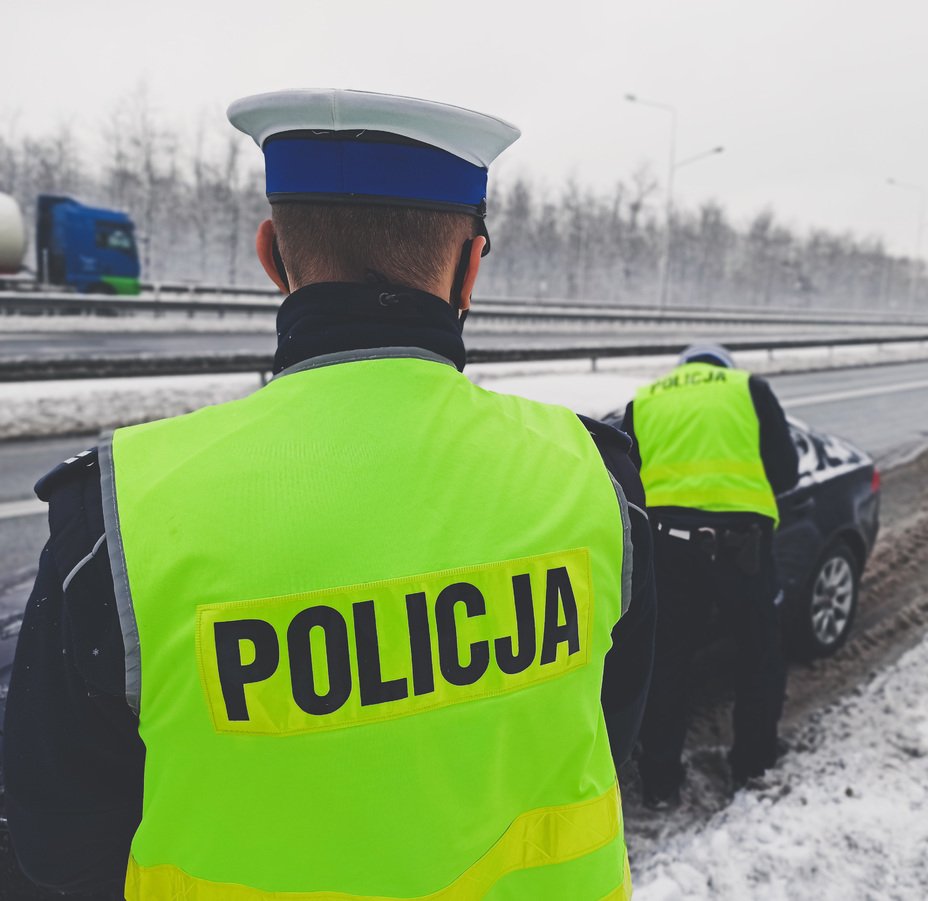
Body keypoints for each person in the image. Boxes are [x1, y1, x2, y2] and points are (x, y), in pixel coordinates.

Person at [3, 89, 655, 901]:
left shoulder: (120, 513)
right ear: (471, 269)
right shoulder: (593, 477)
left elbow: (56, 840)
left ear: (273, 255)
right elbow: (608, 719)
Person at [622, 343, 798, 807]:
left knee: (667, 661)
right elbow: (786, 472)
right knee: (759, 655)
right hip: (742, 548)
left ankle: (660, 782)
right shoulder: (748, 389)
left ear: (683, 371)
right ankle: (752, 767)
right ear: (723, 368)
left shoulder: (647, 399)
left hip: (666, 544)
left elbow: (627, 478)